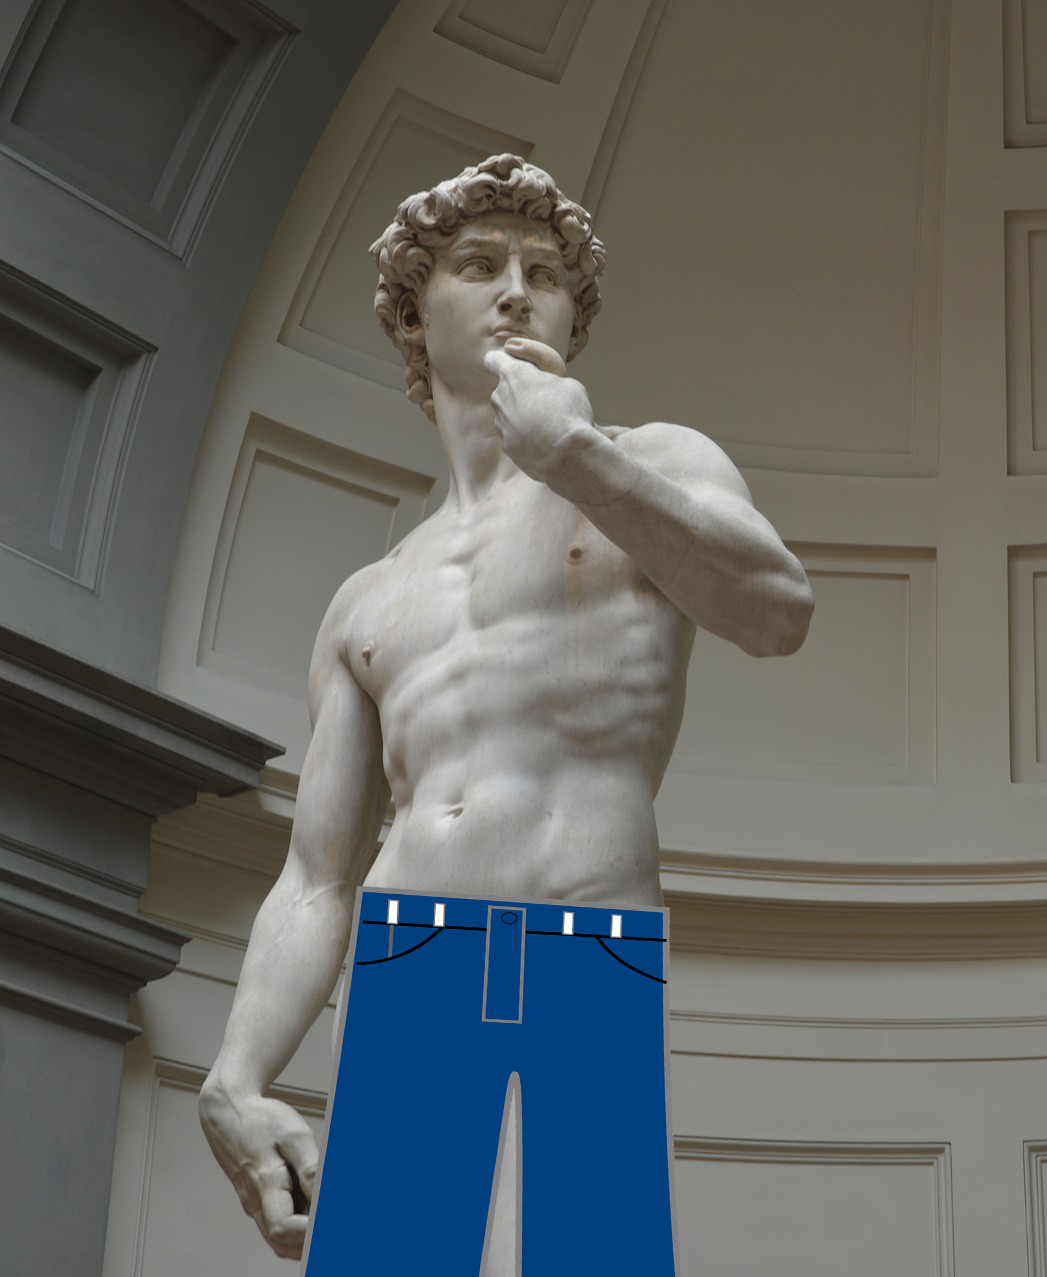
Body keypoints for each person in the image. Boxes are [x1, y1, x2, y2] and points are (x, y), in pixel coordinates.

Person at [197, 154, 813, 1259]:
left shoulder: (649, 467)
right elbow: (316, 875)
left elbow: (775, 610)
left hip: (589, 942)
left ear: (575, 316)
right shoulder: (370, 597)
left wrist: (573, 457)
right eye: (480, 266)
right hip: (406, 956)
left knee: (591, 1260)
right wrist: (237, 1074)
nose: (518, 292)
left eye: (547, 274)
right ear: (414, 317)